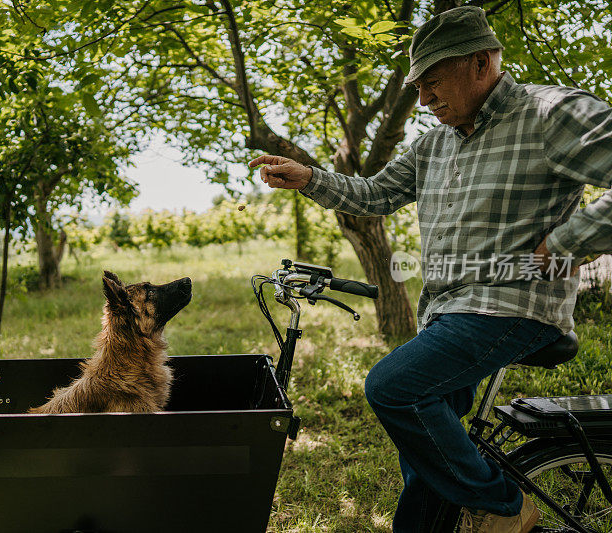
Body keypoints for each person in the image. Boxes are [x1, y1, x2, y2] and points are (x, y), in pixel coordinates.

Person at [249, 6, 612, 533]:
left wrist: (564, 243)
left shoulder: (551, 112)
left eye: (433, 83)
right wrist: (310, 178)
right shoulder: (435, 143)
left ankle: (506, 509)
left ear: (482, 64)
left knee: (394, 387)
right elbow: (376, 194)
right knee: (425, 456)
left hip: (511, 303)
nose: (423, 100)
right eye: (417, 87)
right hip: (446, 311)